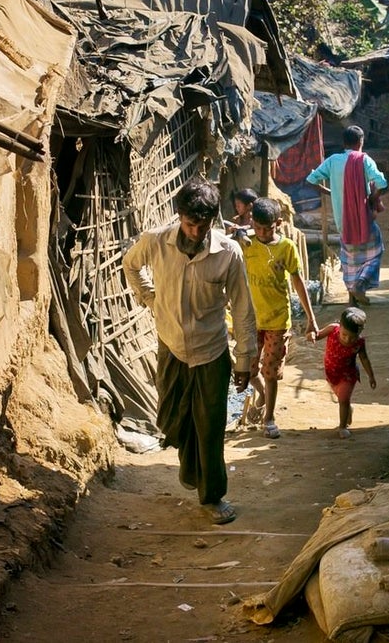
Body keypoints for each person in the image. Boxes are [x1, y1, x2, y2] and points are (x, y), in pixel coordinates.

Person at [123, 179, 257, 524]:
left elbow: (243, 309)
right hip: (171, 347)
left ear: (213, 220)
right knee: (174, 421)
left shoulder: (228, 253)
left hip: (211, 352)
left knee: (210, 427)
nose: (195, 232)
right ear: (179, 216)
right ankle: (191, 469)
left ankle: (212, 496)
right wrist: (151, 300)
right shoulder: (155, 242)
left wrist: (245, 359)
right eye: (189, 224)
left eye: (202, 225)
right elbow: (130, 265)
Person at [237, 198, 319, 439]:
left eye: (268, 228)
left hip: (277, 320)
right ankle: (261, 394)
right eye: (258, 228)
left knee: (271, 372)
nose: (262, 233)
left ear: (279, 224)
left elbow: (298, 282)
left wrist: (311, 319)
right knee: (248, 371)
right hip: (250, 321)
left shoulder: (287, 248)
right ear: (252, 222)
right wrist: (239, 233)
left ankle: (269, 418)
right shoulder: (246, 244)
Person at [306, 125, 387, 306]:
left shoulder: (333, 160)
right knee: (375, 252)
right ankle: (360, 285)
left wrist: (330, 191)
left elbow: (311, 180)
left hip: (342, 220)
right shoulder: (364, 160)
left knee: (350, 260)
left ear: (344, 143)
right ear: (361, 142)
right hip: (363, 219)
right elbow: (382, 182)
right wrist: (373, 197)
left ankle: (353, 298)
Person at [309, 307, 375, 439]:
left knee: (343, 399)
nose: (347, 339)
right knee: (342, 399)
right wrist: (311, 335)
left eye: (352, 337)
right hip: (331, 372)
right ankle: (347, 409)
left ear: (359, 332)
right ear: (340, 326)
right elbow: (317, 335)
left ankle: (342, 426)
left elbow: (364, 359)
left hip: (347, 374)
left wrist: (371, 376)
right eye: (344, 334)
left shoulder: (359, 343)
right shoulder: (332, 329)